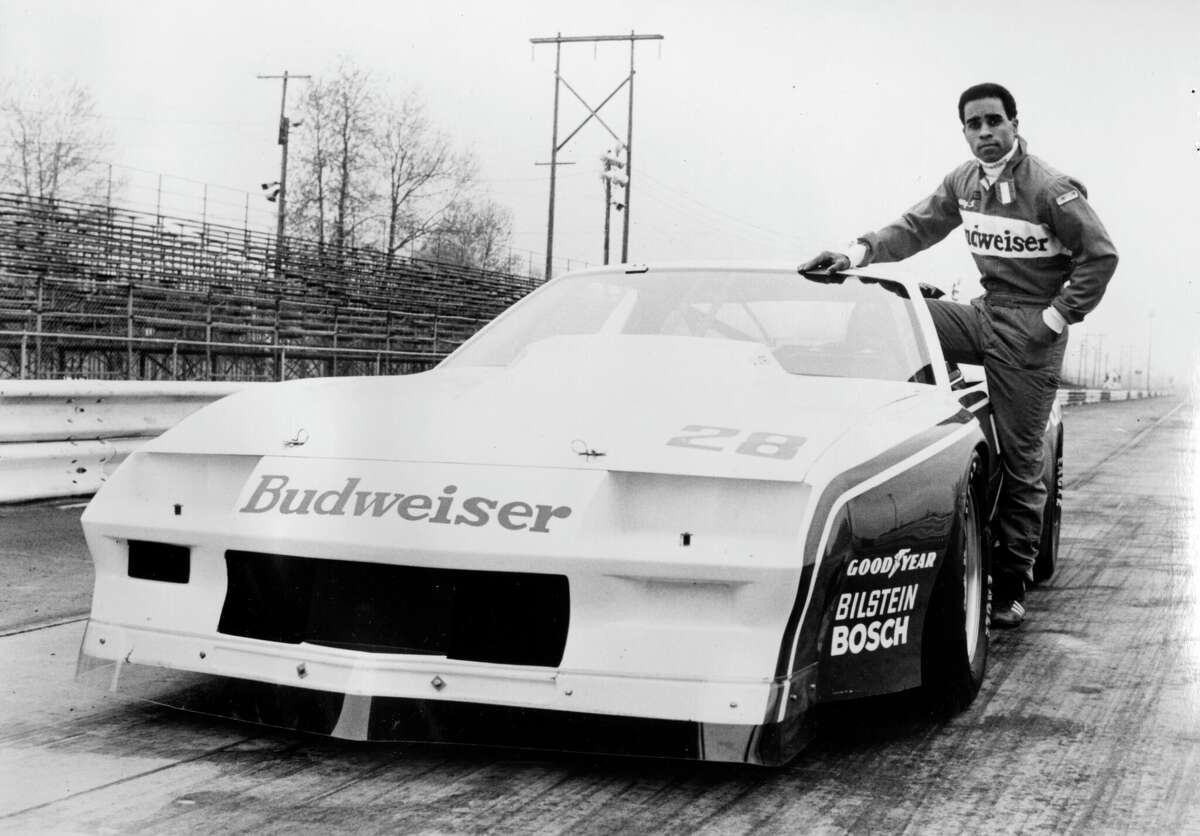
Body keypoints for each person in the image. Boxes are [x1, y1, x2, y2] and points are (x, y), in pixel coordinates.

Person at [800, 82, 1118, 628]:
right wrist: (854, 254)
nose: (985, 133)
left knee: (1022, 462)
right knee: (893, 311)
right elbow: (915, 227)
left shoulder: (1051, 188)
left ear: (1015, 124)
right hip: (984, 312)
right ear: (964, 131)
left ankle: (1012, 582)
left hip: (1032, 329)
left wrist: (1056, 318)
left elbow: (1101, 256)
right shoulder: (963, 182)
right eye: (974, 125)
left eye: (995, 121)